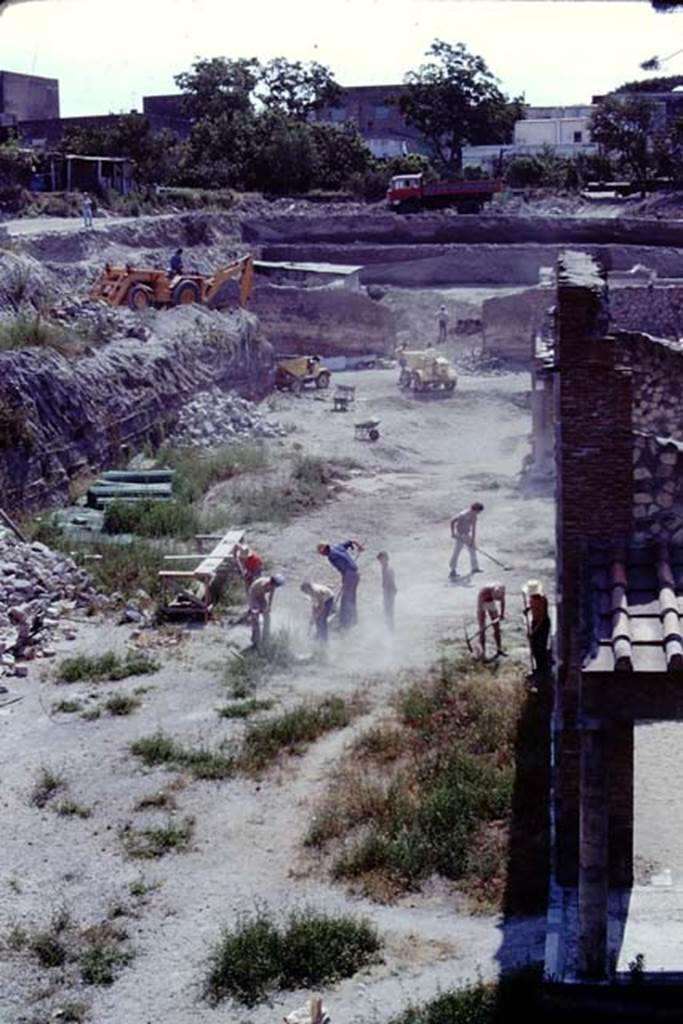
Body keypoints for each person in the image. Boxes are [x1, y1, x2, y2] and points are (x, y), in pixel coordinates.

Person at [318, 539, 363, 629]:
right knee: (351, 597)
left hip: (349, 575)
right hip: (356, 574)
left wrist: (344, 579)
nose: (323, 554)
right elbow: (351, 541)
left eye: (322, 553)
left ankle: (345, 623)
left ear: (324, 552)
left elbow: (343, 567)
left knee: (346, 599)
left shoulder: (331, 557)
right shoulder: (337, 547)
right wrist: (359, 547)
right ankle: (353, 620)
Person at [523, 578, 551, 685]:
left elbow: (542, 618)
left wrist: (533, 632)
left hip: (542, 625)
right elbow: (531, 606)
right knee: (534, 647)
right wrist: (528, 608)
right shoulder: (531, 598)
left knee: (541, 648)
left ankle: (543, 670)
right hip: (535, 622)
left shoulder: (542, 599)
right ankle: (538, 668)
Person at [247, 574, 285, 650]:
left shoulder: (273, 586)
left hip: (261, 596)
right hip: (253, 595)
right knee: (255, 618)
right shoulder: (264, 584)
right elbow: (257, 598)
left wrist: (268, 607)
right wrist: (259, 609)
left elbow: (271, 596)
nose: (277, 587)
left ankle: (266, 638)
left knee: (267, 617)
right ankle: (255, 641)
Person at [449, 502, 484, 580]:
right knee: (456, 552)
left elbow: (474, 528)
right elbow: (452, 521)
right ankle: (452, 570)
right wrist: (453, 533)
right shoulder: (463, 514)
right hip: (460, 535)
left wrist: (473, 540)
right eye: (478, 511)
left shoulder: (474, 516)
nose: (479, 513)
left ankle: (475, 568)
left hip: (467, 535)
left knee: (472, 550)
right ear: (475, 509)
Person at [476, 582, 506, 659]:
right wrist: (482, 624)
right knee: (482, 629)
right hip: (482, 602)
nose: (498, 600)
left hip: (490, 602)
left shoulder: (501, 590)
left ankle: (499, 649)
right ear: (493, 594)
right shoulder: (483, 593)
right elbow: (480, 608)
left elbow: (503, 602)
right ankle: (482, 652)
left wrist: (502, 614)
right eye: (497, 598)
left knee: (497, 627)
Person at [376, 551, 397, 631]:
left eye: (381, 560)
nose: (380, 562)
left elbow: (390, 582)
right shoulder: (384, 568)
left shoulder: (388, 569)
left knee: (389, 611)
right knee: (387, 610)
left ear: (385, 559)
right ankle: (389, 627)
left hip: (389, 592)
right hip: (387, 592)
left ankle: (391, 628)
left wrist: (388, 594)